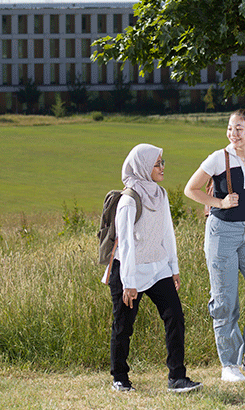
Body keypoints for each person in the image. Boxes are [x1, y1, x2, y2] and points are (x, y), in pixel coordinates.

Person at [183, 108, 245, 382]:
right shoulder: (218, 158)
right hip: (221, 233)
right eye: (230, 128)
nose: (233, 134)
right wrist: (219, 203)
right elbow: (192, 189)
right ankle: (229, 364)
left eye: (239, 129)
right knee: (226, 300)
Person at [104, 143, 202, 393]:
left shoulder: (161, 194)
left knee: (175, 318)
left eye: (162, 162)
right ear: (143, 167)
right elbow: (125, 244)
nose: (162, 168)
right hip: (130, 271)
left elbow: (167, 232)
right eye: (157, 163)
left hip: (158, 269)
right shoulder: (128, 200)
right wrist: (129, 283)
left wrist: (174, 267)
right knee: (123, 326)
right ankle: (120, 378)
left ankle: (177, 377)